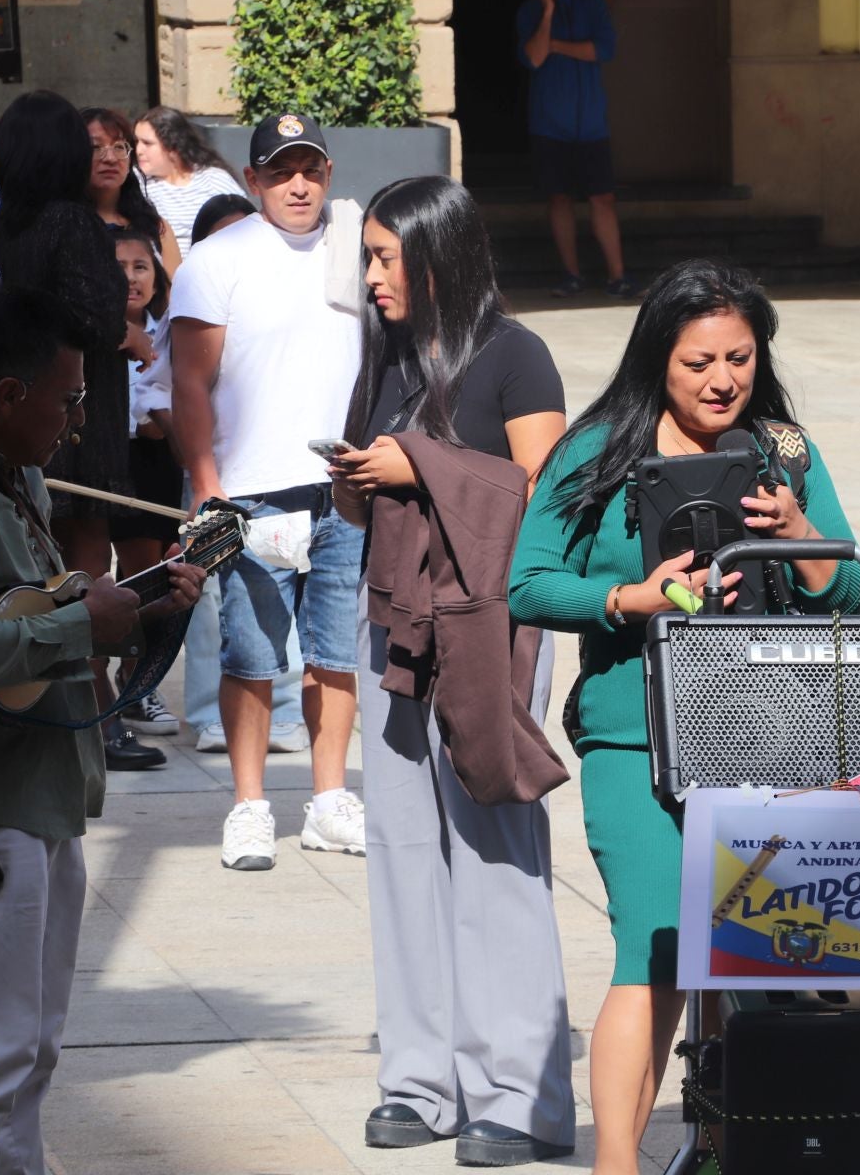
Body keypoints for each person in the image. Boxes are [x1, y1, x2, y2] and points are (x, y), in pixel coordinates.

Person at [509, 260, 860, 1174]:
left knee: (761, 953)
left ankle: (731, 1145)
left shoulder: (786, 452)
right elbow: (528, 581)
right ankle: (617, 1163)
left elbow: (851, 588)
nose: (722, 380)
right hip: (635, 731)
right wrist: (635, 597)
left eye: (740, 358)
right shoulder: (597, 449)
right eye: (700, 361)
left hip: (770, 730)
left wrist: (794, 534)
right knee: (656, 946)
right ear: (657, 360)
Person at [0, 287, 205, 1174]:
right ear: (6, 395)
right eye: (68, 400)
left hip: (38, 794)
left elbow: (40, 618)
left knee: (29, 1048)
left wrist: (141, 609)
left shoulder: (14, 473)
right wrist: (86, 625)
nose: (78, 421)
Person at [329, 176, 576, 1165]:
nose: (374, 276)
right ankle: (420, 1079)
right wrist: (363, 477)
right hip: (391, 622)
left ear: (440, 256)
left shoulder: (518, 356)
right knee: (398, 848)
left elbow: (545, 496)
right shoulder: (385, 358)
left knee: (493, 849)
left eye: (388, 256)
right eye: (370, 257)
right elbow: (367, 504)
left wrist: (418, 463)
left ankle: (518, 1094)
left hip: (490, 628)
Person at [170, 112, 368, 871]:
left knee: (335, 651)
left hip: (344, 483)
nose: (298, 185)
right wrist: (210, 490)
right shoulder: (217, 260)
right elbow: (191, 381)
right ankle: (250, 805)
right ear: (251, 180)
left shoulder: (354, 250)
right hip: (252, 491)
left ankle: (327, 799)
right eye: (281, 171)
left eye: (310, 169)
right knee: (251, 655)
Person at [0, 89, 162, 771]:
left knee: (32, 560)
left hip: (15, 409)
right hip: (79, 408)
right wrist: (122, 327)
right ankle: (94, 714)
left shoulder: (1, 224)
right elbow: (93, 322)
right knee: (88, 563)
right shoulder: (76, 224)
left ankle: (41, 695)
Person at [516, 0, 632, 299]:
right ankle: (572, 275)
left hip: (591, 123)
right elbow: (533, 58)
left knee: (603, 198)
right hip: (550, 123)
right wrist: (548, 13)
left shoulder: (592, 5)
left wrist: (557, 47)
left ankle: (618, 276)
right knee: (559, 199)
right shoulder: (531, 11)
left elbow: (603, 50)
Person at [109, 227, 184, 739]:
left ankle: (140, 682)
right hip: (116, 462)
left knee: (163, 572)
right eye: (120, 267)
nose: (132, 278)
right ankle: (130, 683)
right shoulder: (99, 333)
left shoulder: (172, 327)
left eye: (141, 267)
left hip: (164, 464)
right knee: (133, 574)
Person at [85, 106, 183, 273]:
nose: (110, 158)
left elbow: (175, 293)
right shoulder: (62, 226)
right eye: (96, 147)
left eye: (119, 147)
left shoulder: (156, 228)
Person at [135, 106, 248, 246]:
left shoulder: (214, 179)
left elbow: (245, 227)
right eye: (136, 142)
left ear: (173, 145)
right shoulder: (136, 183)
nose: (139, 150)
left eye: (147, 143)